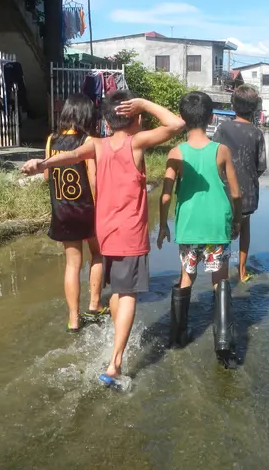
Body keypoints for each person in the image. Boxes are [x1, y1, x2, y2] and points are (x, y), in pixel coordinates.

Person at [22, 91, 185, 388]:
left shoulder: (97, 144)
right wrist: (146, 103)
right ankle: (115, 364)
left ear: (107, 119)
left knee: (118, 292)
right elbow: (176, 125)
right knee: (128, 294)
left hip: (106, 233)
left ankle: (111, 341)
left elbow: (69, 156)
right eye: (139, 113)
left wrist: (42, 164)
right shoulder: (136, 143)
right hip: (130, 235)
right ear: (134, 116)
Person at [157, 91, 243, 368]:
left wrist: (161, 226)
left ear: (182, 118)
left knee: (187, 277)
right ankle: (223, 341)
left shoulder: (176, 153)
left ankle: (177, 335)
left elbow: (166, 195)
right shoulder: (221, 151)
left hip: (189, 226)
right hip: (217, 225)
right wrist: (237, 221)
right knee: (219, 278)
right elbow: (237, 193)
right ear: (211, 118)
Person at [43, 95, 106, 333]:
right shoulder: (88, 140)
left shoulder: (52, 140)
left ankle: (73, 319)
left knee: (72, 265)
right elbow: (94, 180)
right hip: (87, 209)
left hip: (62, 210)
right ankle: (94, 303)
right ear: (86, 115)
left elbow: (48, 176)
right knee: (97, 254)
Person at [212, 85, 267, 283]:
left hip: (225, 192)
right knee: (245, 229)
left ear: (233, 106)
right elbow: (261, 166)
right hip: (248, 194)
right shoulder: (257, 133)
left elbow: (214, 157)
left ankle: (221, 277)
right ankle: (242, 272)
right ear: (254, 109)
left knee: (224, 233)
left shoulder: (223, 128)